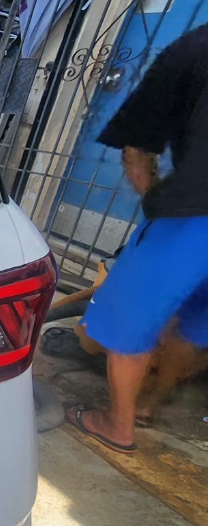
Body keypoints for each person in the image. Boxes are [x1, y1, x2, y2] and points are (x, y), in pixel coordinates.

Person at [66, 24, 208, 453]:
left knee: (126, 317)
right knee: (197, 322)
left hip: (194, 214)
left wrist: (156, 201)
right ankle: (149, 403)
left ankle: (118, 426)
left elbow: (136, 150)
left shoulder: (195, 46)